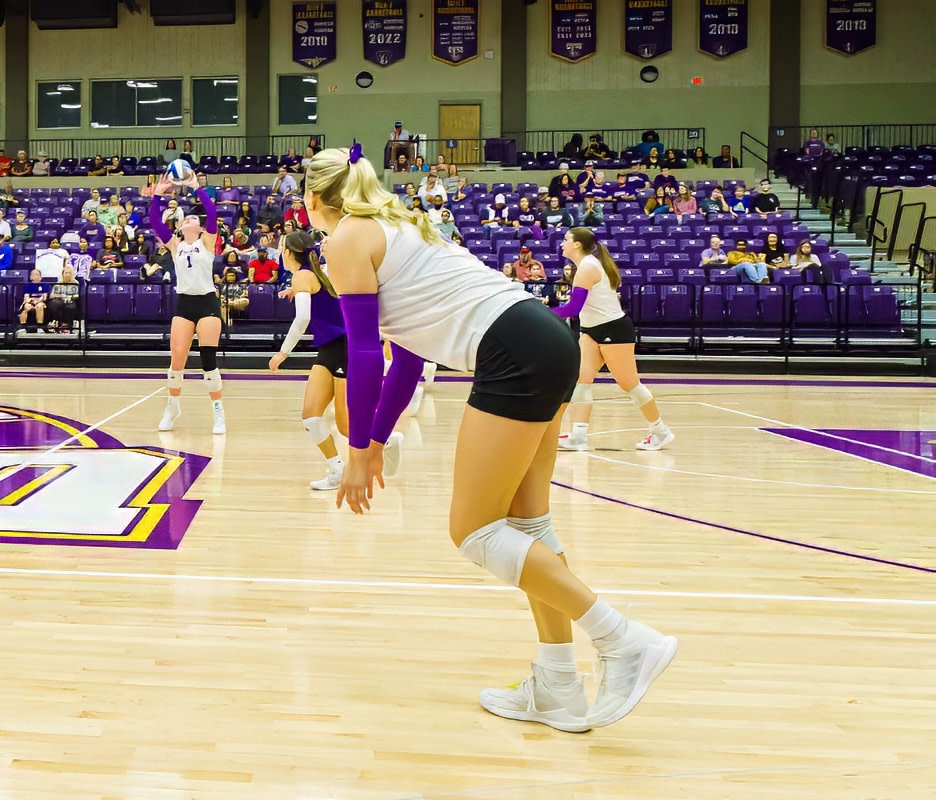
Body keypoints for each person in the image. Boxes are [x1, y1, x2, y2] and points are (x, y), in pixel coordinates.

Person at [303, 145, 677, 733]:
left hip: (513, 353)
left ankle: (623, 639)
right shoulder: (398, 225)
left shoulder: (345, 238)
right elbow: (404, 360)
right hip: (545, 338)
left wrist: (354, 453)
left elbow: (364, 355)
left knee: (474, 529)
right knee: (528, 525)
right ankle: (557, 686)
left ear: (310, 201)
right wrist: (373, 439)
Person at [554, 227, 675, 453]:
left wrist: (542, 311)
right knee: (581, 379)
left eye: (566, 239)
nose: (562, 243)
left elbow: (573, 308)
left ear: (577, 244)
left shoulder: (587, 267)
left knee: (629, 384)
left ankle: (661, 432)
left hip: (613, 330)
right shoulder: (584, 266)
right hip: (591, 330)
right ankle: (578, 436)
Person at [268, 229, 354, 491]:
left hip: (343, 347)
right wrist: (295, 292)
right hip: (330, 348)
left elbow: (302, 318)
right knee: (311, 416)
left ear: (287, 252)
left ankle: (386, 440)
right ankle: (337, 470)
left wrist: (283, 351)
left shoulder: (304, 275)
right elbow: (320, 298)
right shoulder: (312, 273)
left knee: (346, 424)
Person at [149, 172, 227, 435]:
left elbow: (212, 213)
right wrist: (158, 195)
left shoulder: (207, 241)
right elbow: (154, 222)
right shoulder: (174, 245)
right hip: (184, 304)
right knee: (177, 359)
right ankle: (173, 407)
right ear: (181, 226)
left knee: (208, 359)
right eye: (187, 218)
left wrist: (197, 188)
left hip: (207, 304)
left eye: (195, 218)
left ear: (200, 227)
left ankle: (218, 412)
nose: (191, 218)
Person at [46, 265, 80, 333]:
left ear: (72, 274)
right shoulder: (59, 283)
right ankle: (56, 323)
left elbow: (77, 295)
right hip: (60, 300)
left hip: (70, 301)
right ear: (62, 274)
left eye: (69, 273)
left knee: (69, 306)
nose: (67, 275)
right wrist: (61, 296)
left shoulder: (75, 283)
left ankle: (66, 326)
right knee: (55, 303)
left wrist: (70, 297)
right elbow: (52, 295)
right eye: (66, 273)